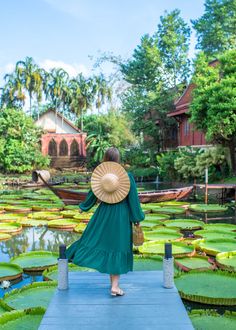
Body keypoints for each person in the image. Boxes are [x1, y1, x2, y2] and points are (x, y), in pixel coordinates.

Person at [65, 147, 145, 296]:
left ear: (105, 159)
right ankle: (114, 287)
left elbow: (92, 194)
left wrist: (83, 207)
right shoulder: (127, 177)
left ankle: (71, 255)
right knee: (117, 247)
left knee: (98, 243)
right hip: (121, 217)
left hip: (103, 215)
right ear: (118, 159)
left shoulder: (101, 177)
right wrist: (137, 219)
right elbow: (134, 201)